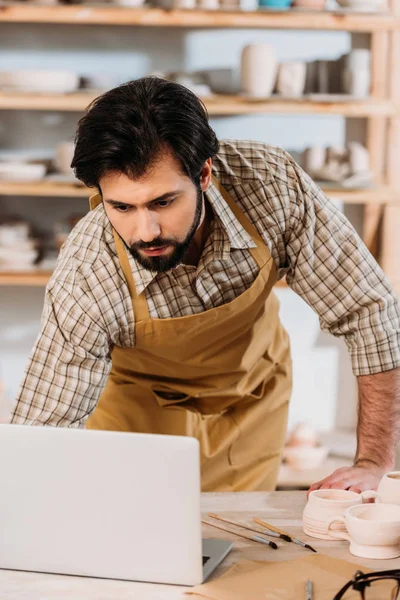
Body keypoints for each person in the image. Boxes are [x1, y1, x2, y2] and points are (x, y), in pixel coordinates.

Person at [10, 77, 400, 493]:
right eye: (122, 206)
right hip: (135, 418)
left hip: (249, 405)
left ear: (204, 174)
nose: (145, 231)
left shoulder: (269, 187)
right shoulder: (89, 272)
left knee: (242, 549)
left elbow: (369, 312)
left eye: (163, 202)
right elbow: (42, 432)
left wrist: (376, 463)